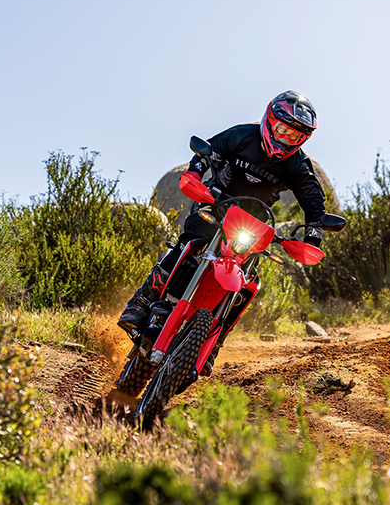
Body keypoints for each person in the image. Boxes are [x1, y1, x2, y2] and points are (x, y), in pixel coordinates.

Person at [117, 90, 327, 373]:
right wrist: (194, 173)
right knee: (188, 245)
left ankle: (214, 342)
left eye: (295, 137)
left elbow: (313, 200)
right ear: (269, 119)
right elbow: (209, 153)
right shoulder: (242, 135)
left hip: (254, 222)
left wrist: (313, 234)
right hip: (216, 205)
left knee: (248, 282)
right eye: (282, 130)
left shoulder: (297, 164)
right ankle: (141, 302)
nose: (286, 139)